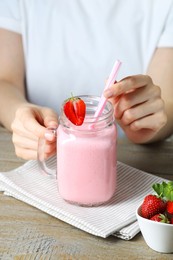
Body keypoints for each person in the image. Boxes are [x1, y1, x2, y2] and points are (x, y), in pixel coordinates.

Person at [0, 0, 173, 160]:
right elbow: (4, 80)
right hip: (35, 159)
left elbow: (167, 103)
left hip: (127, 160)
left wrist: (147, 122)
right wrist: (18, 112)